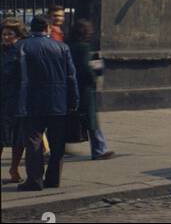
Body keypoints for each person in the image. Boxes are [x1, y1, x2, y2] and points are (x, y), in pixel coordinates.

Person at [17, 14, 78, 191]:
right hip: (58, 101)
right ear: (48, 28)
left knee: (33, 141)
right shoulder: (62, 47)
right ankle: (53, 179)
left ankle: (34, 179)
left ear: (31, 28)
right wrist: (73, 101)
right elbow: (71, 77)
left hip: (31, 101)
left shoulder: (22, 46)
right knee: (57, 143)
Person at [67, 19, 113, 160]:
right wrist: (94, 77)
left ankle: (59, 146)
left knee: (72, 117)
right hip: (85, 89)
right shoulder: (84, 47)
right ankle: (99, 150)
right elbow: (86, 68)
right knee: (92, 120)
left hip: (71, 86)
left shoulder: (68, 45)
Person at [1, 19, 26, 183]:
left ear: (18, 35)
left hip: (17, 100)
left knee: (18, 138)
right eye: (3, 34)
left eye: (9, 34)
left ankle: (14, 168)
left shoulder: (22, 52)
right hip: (2, 100)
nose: (5, 37)